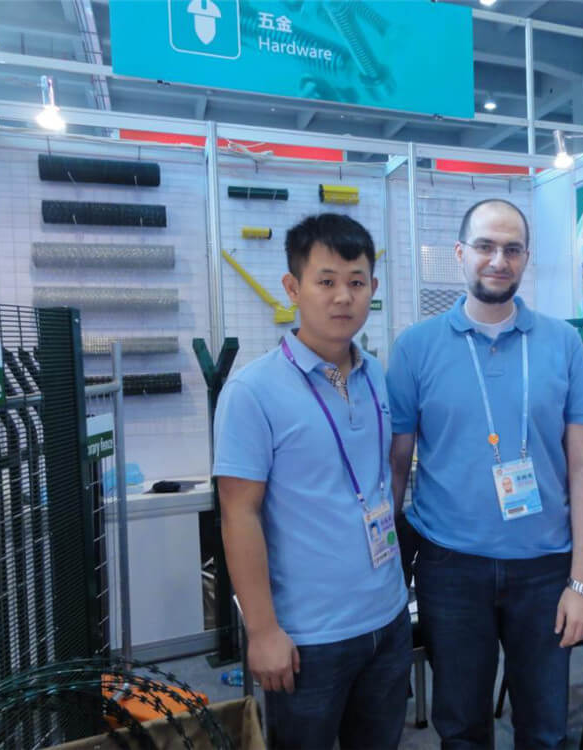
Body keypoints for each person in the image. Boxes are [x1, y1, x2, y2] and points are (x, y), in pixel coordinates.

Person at [387, 198, 583, 749]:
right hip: (450, 566)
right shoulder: (415, 348)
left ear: (526, 257)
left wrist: (581, 580)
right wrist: (385, 564)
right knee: (461, 727)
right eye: (485, 246)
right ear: (460, 253)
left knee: (545, 730)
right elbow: (396, 463)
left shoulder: (562, 342)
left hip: (546, 567)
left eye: (512, 249)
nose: (498, 260)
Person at [213, 213, 410, 750]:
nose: (343, 297)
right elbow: (238, 515)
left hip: (388, 620)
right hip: (307, 638)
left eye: (357, 282)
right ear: (293, 287)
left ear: (372, 287)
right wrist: (262, 631)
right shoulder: (252, 392)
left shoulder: (375, 375)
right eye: (326, 281)